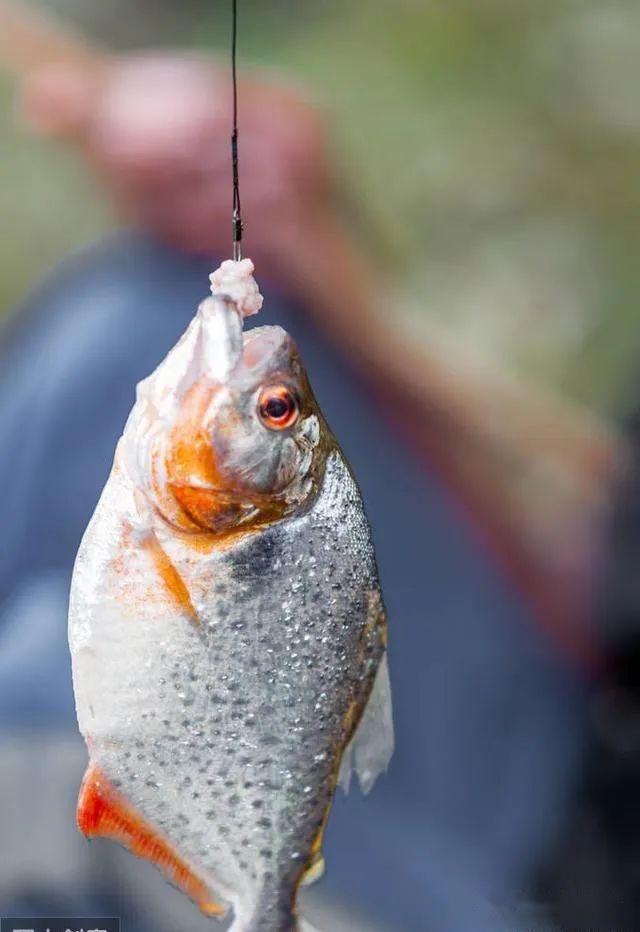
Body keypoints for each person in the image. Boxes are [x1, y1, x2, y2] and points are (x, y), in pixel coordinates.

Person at [0, 25, 606, 932]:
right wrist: (307, 255)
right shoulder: (157, 335)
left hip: (502, 842)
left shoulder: (128, 359)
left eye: (278, 407)